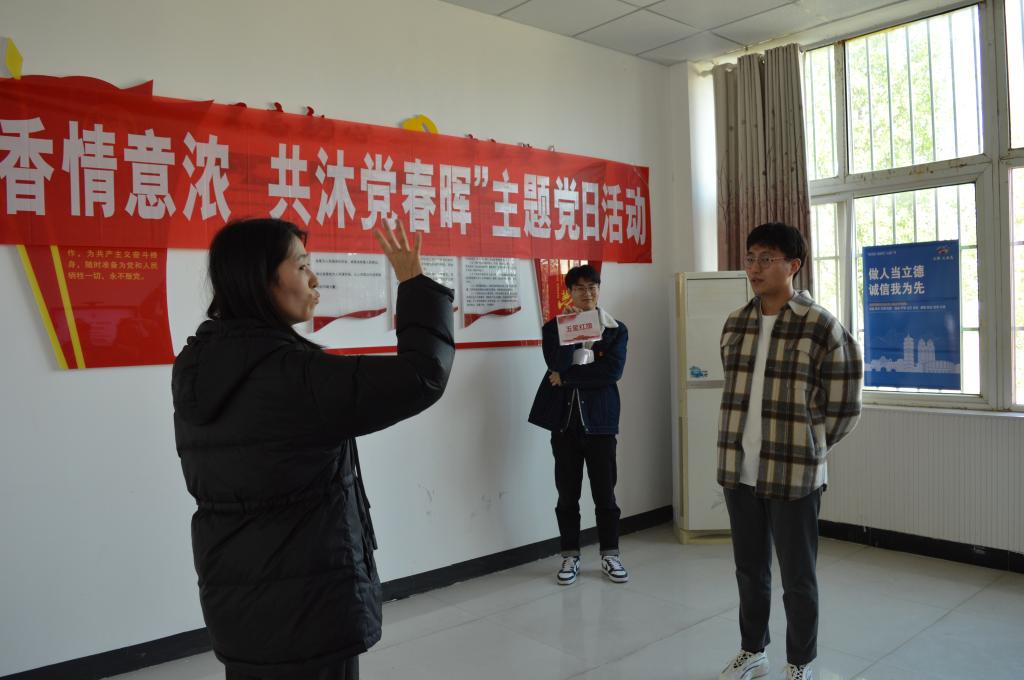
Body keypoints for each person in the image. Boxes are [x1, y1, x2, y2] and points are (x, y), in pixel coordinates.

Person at [171, 217, 455, 680]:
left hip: (236, 599)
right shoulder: (294, 376)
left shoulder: (196, 365)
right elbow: (422, 376)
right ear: (262, 279)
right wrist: (414, 282)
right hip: (309, 606)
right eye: (302, 265)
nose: (315, 278)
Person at [716, 223, 863, 680]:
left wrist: (810, 446)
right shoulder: (736, 322)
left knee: (798, 577)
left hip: (795, 473)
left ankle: (801, 661)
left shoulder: (820, 325)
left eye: (767, 259)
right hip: (740, 468)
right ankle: (752, 650)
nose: (755, 268)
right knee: (749, 570)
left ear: (793, 265)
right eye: (751, 258)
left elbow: (845, 405)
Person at [528, 264, 629, 585]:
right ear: (569, 292)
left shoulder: (616, 329)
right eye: (580, 288)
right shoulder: (553, 328)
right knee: (567, 495)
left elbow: (611, 372)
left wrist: (569, 378)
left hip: (600, 422)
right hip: (565, 424)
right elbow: (555, 364)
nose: (588, 293)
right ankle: (570, 556)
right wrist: (571, 331)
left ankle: (610, 554)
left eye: (592, 287)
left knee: (605, 495)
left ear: (599, 289)